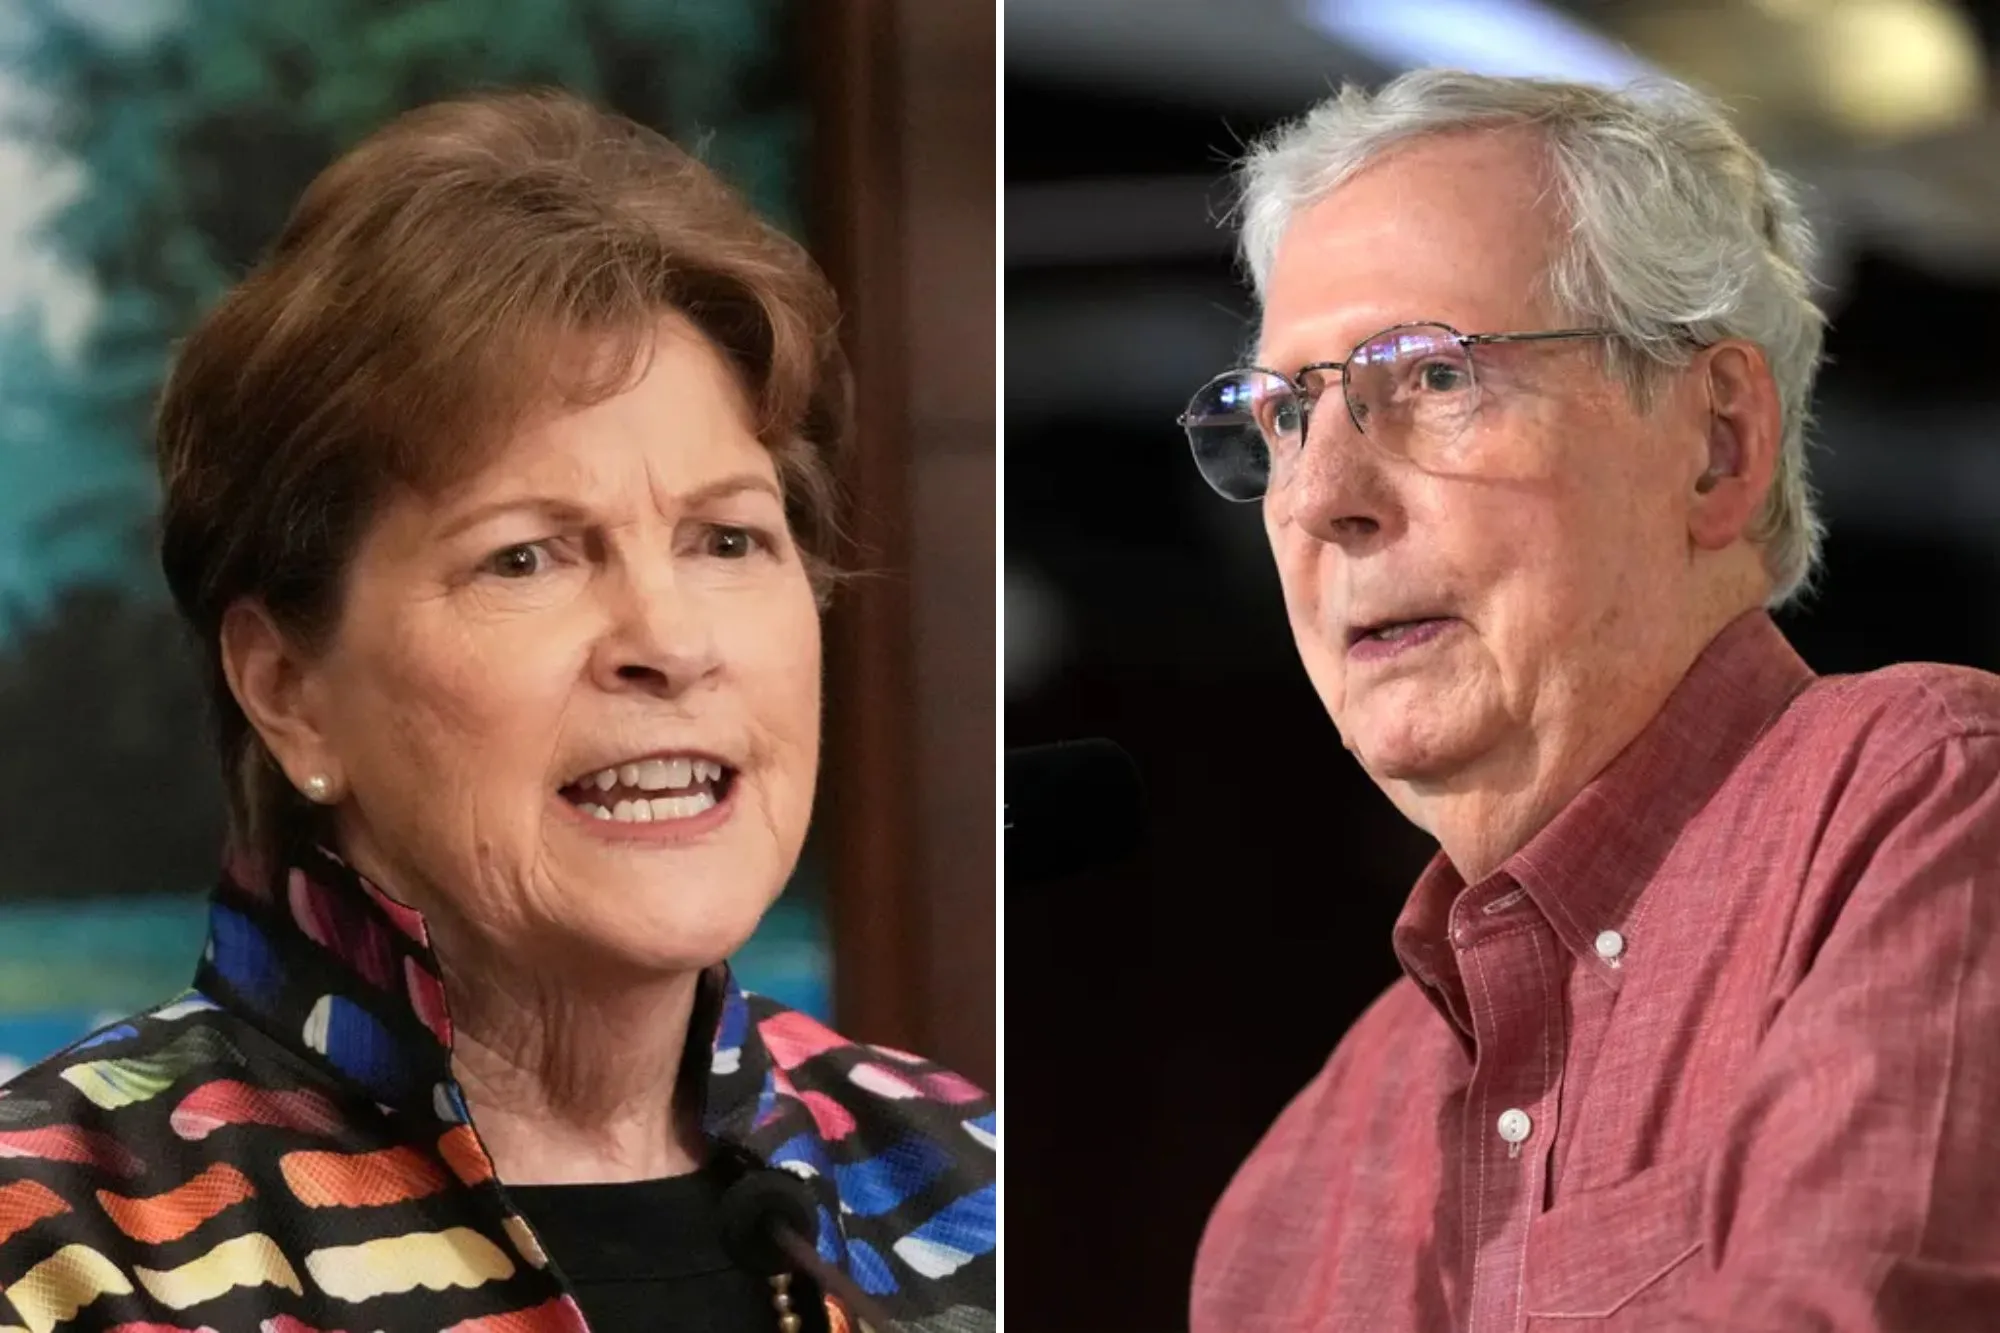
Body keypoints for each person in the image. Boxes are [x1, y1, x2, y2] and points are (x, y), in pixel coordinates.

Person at [0, 90, 994, 1333]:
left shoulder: (965, 1178)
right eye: (526, 557)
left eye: (727, 538)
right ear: (287, 689)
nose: (669, 643)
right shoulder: (67, 1237)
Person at [1181, 70, 2000, 1332]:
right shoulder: (1288, 1200)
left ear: (1714, 442)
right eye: (1286, 414)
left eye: (1431, 377)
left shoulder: (1923, 806)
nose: (1315, 497)